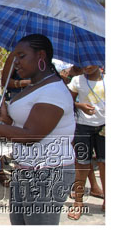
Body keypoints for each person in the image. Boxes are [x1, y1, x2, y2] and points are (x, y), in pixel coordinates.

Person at [0, 34, 76, 225]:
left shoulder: (54, 91)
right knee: (19, 222)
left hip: (48, 173)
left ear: (41, 56)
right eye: (14, 56)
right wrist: (6, 119)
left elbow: (32, 135)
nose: (15, 63)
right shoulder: (35, 85)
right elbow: (23, 126)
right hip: (25, 168)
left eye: (21, 56)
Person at [67, 65, 105, 220]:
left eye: (91, 63)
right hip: (83, 127)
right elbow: (67, 101)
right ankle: (78, 202)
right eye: (85, 63)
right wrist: (79, 105)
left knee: (105, 164)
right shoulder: (77, 80)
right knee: (82, 164)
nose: (88, 66)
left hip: (105, 127)